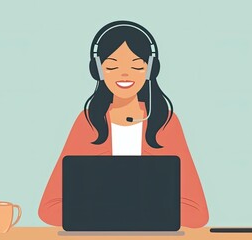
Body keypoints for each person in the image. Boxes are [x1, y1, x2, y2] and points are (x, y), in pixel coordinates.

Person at [38, 20, 209, 228]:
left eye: (136, 66)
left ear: (150, 70)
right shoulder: (88, 123)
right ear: (98, 71)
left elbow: (197, 214)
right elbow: (49, 208)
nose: (125, 74)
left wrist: (109, 210)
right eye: (112, 66)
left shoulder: (166, 123)